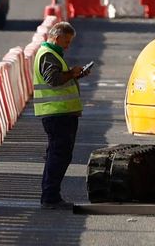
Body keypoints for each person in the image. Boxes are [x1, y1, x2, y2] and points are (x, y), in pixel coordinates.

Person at [33, 21, 90, 209]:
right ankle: (50, 197)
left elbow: (59, 77)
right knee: (58, 156)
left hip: (60, 113)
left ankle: (50, 195)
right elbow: (53, 79)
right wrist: (71, 73)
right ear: (56, 38)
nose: (68, 46)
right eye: (66, 41)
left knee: (57, 156)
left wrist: (75, 75)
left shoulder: (51, 54)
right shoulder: (48, 55)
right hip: (57, 114)